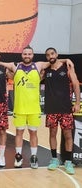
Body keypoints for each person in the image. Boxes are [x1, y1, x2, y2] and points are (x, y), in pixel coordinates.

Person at [0, 45, 72, 169]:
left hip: (34, 108)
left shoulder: (38, 65)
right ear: (22, 55)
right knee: (19, 133)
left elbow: (53, 60)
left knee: (33, 133)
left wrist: (66, 60)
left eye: (29, 54)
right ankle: (18, 157)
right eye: (25, 54)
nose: (27, 56)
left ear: (32, 55)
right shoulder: (15, 66)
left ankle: (33, 157)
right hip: (19, 108)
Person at [44, 47, 80, 175]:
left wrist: (76, 103)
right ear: (46, 57)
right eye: (48, 55)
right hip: (51, 109)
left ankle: (68, 162)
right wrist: (66, 58)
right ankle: (54, 159)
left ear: (56, 54)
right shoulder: (45, 70)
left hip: (65, 108)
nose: (50, 56)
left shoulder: (67, 68)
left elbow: (75, 84)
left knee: (68, 135)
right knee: (52, 134)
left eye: (52, 54)